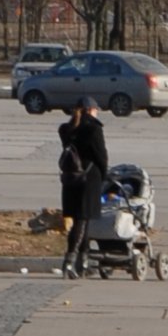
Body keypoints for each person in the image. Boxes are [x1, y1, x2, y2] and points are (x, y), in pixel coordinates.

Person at [57, 97, 108, 279]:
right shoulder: (93, 128)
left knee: (81, 220)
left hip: (71, 178)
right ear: (90, 110)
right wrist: (104, 176)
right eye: (96, 110)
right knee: (82, 221)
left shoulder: (66, 129)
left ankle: (82, 263)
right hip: (89, 178)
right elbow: (101, 156)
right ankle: (70, 262)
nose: (97, 113)